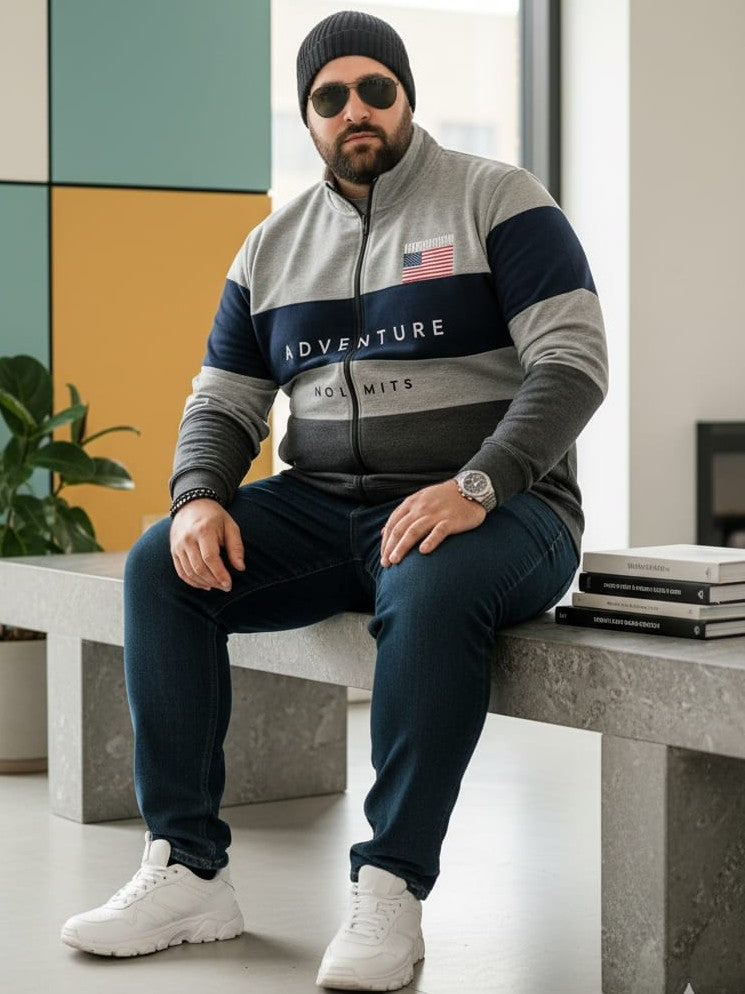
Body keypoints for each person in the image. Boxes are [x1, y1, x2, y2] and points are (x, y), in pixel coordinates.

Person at [61, 10, 608, 991]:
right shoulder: (271, 246)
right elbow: (223, 400)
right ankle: (188, 871)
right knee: (161, 565)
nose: (355, 109)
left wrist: (477, 482)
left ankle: (391, 886)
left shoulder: (496, 199)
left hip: (504, 507)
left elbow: (572, 364)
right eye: (330, 96)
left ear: (405, 98)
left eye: (374, 89)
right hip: (323, 504)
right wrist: (199, 496)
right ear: (309, 116)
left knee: (431, 585)